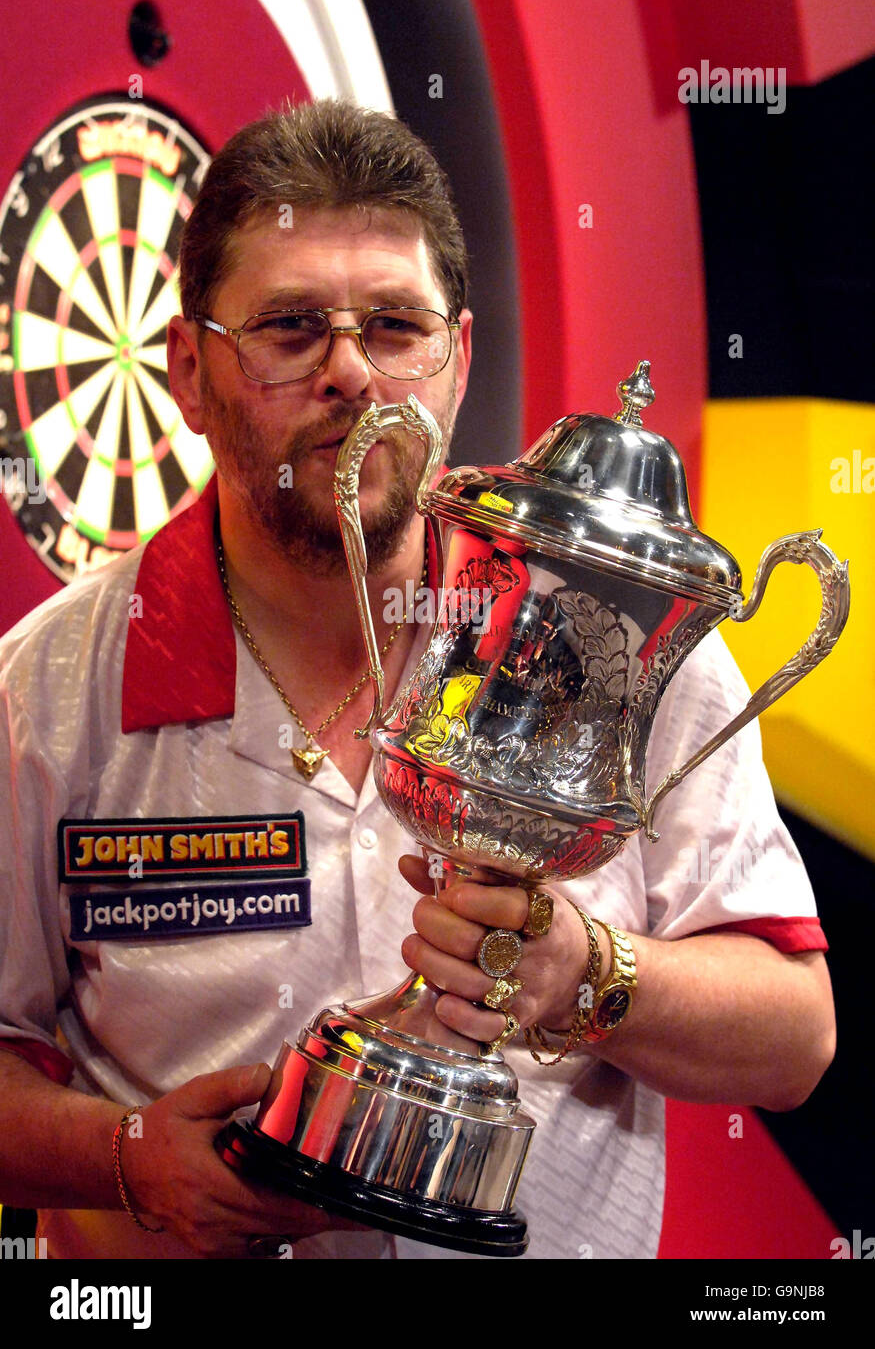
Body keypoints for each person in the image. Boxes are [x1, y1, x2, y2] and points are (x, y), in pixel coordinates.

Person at [0, 100, 834, 1261]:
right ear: (188, 371)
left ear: (456, 361)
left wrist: (584, 972)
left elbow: (793, 1036)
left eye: (395, 326)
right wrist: (123, 1155)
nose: (351, 372)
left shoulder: (610, 626)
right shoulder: (47, 688)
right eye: (290, 328)